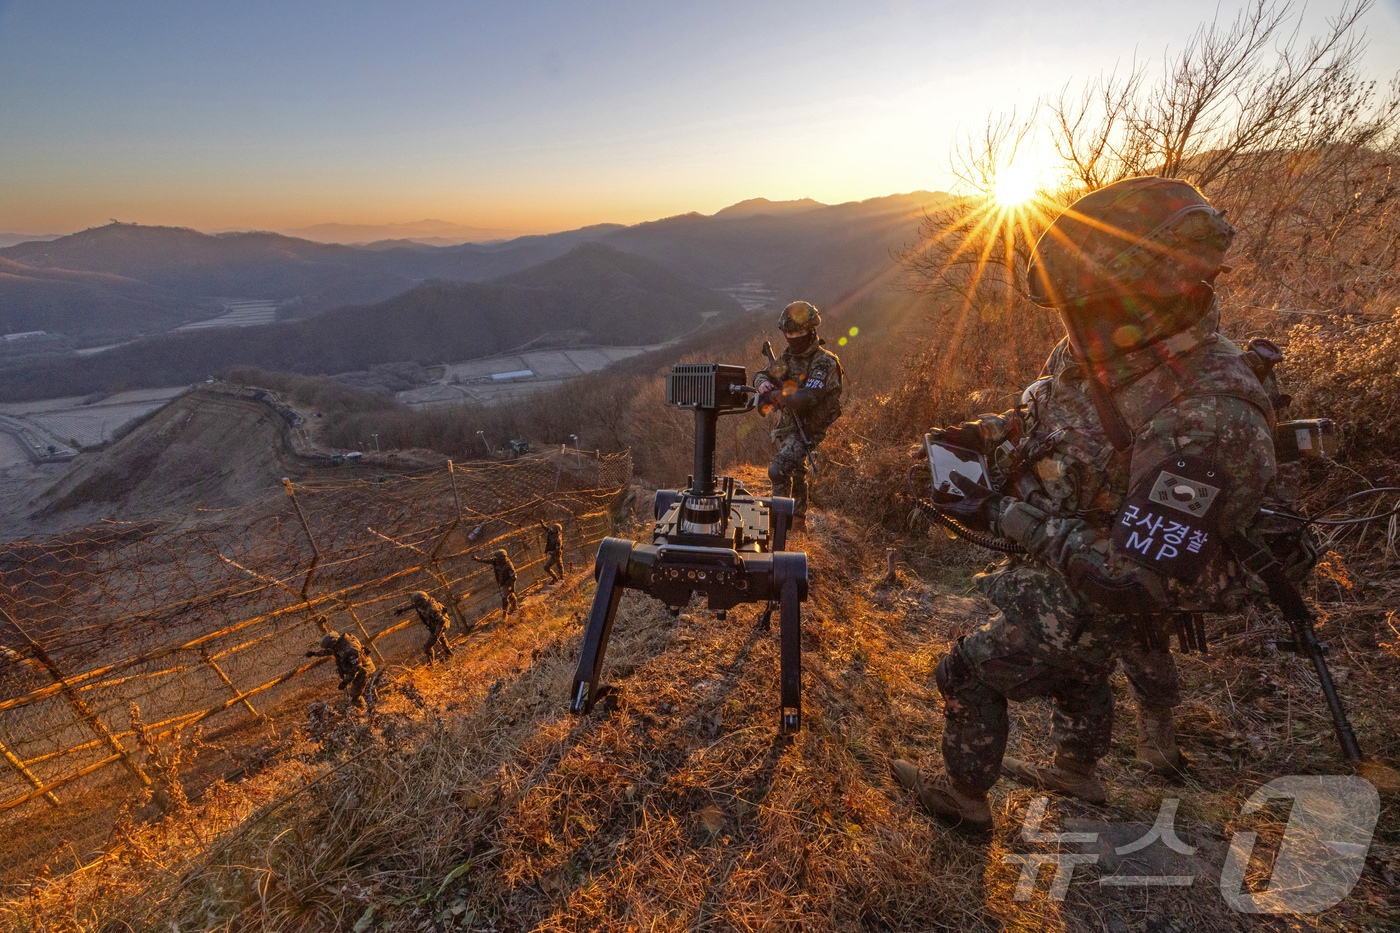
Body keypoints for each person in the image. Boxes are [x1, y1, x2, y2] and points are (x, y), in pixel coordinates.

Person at [893, 176, 1282, 833]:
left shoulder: (1210, 414)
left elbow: (1132, 581)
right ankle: (1077, 769)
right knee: (1081, 667)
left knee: (969, 670)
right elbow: (1046, 410)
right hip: (1077, 559)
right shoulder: (1108, 350)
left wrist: (1002, 515)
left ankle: (963, 799)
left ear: (1147, 291)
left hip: (1122, 585)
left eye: (1087, 306)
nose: (1073, 326)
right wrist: (984, 436)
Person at [752, 300, 844, 532]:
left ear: (811, 330)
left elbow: (808, 396)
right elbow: (761, 374)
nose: (794, 338)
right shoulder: (786, 359)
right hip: (790, 424)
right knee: (797, 470)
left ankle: (778, 527)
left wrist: (778, 395)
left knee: (779, 469)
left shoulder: (824, 361)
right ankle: (798, 523)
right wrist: (762, 385)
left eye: (799, 333)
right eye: (790, 334)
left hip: (812, 425)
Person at [305, 630, 376, 709]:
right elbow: (329, 652)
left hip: (365, 670)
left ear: (333, 643)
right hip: (360, 670)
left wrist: (345, 682)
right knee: (367, 689)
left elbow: (356, 668)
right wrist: (314, 653)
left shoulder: (350, 649)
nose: (330, 648)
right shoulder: (341, 643)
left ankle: (363, 710)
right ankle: (374, 704)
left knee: (355, 696)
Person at [395, 590, 454, 663]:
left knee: (427, 647)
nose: (417, 605)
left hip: (441, 625)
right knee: (442, 637)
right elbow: (415, 605)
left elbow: (442, 620)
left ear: (421, 601)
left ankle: (430, 665)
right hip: (438, 624)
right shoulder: (427, 601)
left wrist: (436, 634)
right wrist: (403, 610)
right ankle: (449, 654)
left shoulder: (432, 609)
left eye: (418, 603)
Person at [472, 549, 519, 616]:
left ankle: (505, 613)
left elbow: (513, 577)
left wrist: (512, 587)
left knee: (504, 596)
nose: (496, 559)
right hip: (502, 581)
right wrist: (478, 559)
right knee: (510, 595)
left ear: (502, 558)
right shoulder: (496, 561)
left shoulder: (508, 565)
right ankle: (514, 607)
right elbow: (487, 561)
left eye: (497, 558)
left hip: (508, 582)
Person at [540, 519, 565, 583]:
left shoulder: (557, 539)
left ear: (556, 530)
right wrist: (542, 525)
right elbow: (548, 530)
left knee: (546, 567)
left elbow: (557, 550)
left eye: (553, 529)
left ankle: (555, 578)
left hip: (556, 555)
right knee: (559, 564)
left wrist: (551, 553)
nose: (552, 530)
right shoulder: (554, 534)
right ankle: (561, 577)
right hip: (556, 554)